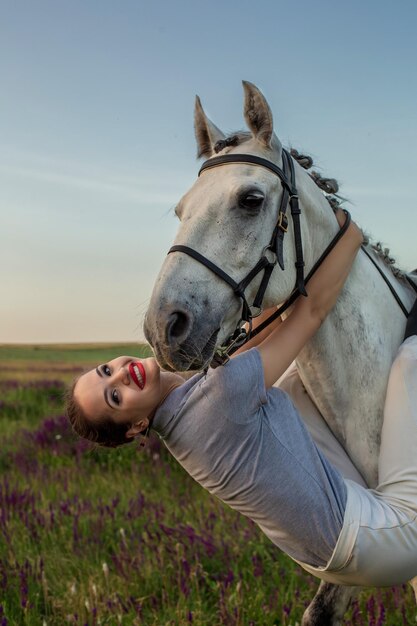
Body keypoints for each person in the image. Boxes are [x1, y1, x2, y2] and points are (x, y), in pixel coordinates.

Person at [66, 209, 417, 587]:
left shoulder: (184, 411)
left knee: (291, 382)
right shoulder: (217, 402)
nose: (121, 375)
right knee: (409, 358)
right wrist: (345, 232)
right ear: (136, 426)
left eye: (106, 371)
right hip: (381, 544)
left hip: (324, 558)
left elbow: (263, 323)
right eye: (115, 396)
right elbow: (311, 311)